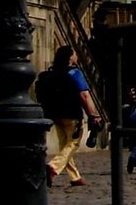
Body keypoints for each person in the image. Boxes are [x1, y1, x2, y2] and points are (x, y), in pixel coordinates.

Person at [39, 46, 101, 188]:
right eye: (74, 54)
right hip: (72, 113)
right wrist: (92, 114)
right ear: (69, 58)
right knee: (73, 144)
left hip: (55, 114)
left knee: (64, 145)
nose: (76, 56)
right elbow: (84, 95)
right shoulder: (75, 73)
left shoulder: (52, 72)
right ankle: (53, 167)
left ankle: (75, 177)